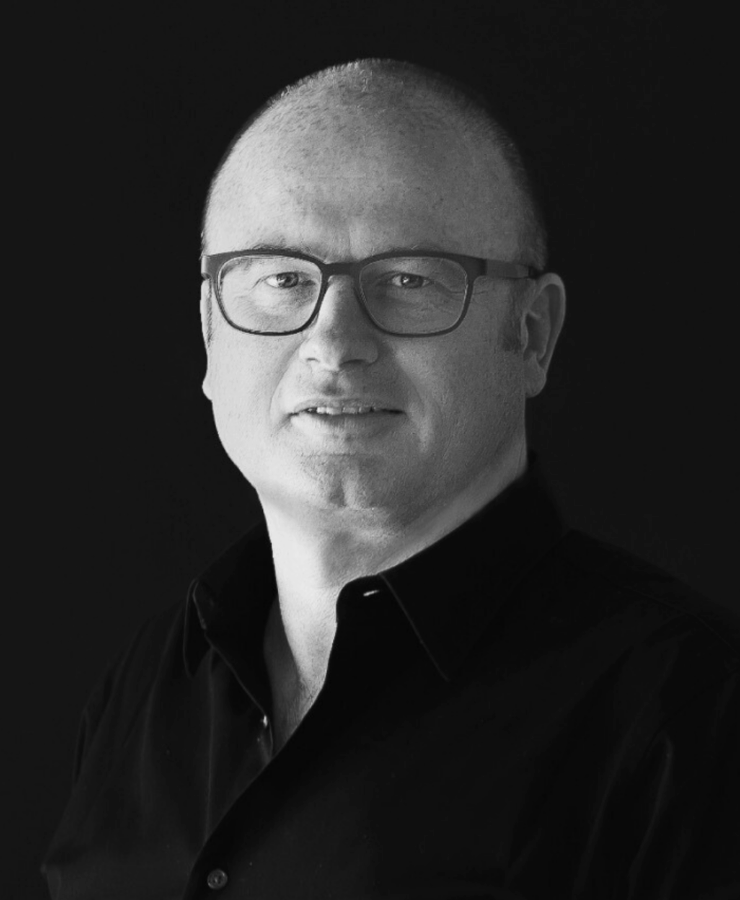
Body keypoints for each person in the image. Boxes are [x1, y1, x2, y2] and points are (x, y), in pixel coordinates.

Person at [43, 59, 739, 899]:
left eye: (409, 279)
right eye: (280, 279)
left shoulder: (687, 717)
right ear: (209, 333)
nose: (335, 344)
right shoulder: (142, 693)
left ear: (532, 333)